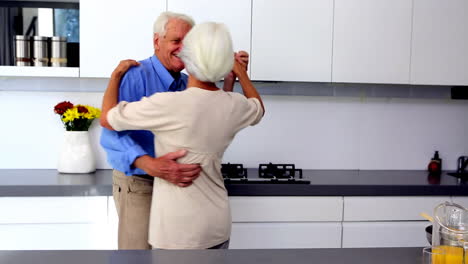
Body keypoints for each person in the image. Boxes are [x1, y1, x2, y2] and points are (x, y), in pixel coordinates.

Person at [100, 21, 265, 249]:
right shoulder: (135, 75)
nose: (181, 49)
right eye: (176, 41)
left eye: (187, 44)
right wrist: (148, 164)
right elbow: (109, 134)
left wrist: (114, 76)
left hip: (176, 224)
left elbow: (108, 117)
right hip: (142, 184)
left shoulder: (176, 98)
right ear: (157, 42)